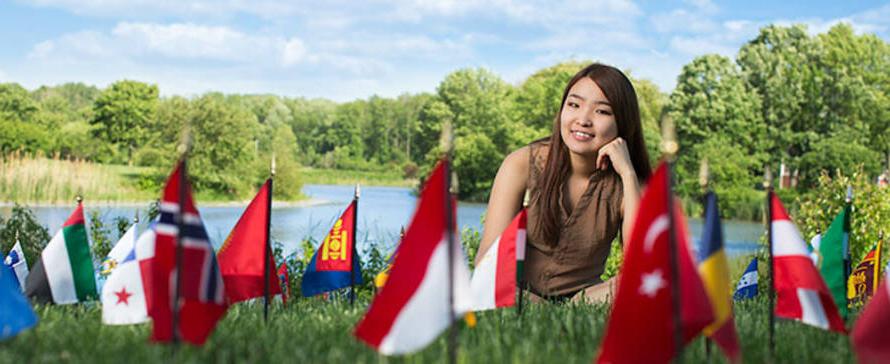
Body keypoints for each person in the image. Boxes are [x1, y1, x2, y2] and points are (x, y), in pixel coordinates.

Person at [474, 63, 651, 304]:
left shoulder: (627, 185)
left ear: (623, 123)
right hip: (518, 295)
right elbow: (487, 262)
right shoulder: (521, 164)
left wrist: (628, 174)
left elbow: (640, 268)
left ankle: (569, 310)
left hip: (584, 300)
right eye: (574, 105)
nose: (583, 120)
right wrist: (541, 309)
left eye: (602, 111)